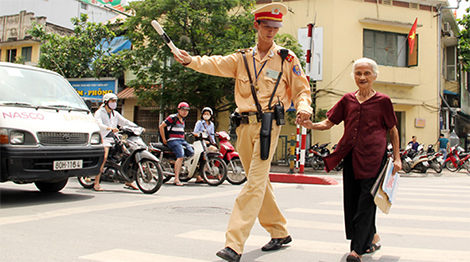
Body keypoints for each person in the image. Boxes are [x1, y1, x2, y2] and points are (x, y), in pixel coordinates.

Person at [173, 3, 313, 261]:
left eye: (276, 28)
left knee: (253, 184)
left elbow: (302, 90)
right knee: (259, 182)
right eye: (267, 27)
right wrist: (190, 60)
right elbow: (213, 64)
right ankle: (279, 232)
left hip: (270, 125)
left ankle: (234, 244)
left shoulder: (286, 58)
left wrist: (304, 108)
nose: (272, 32)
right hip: (244, 126)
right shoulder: (241, 58)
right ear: (256, 26)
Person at [299, 58, 402, 262]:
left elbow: (393, 130)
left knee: (366, 201)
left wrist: (397, 158)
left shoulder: (383, 101)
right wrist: (310, 125)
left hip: (374, 158)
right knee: (353, 202)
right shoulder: (347, 100)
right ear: (354, 76)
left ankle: (357, 250)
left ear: (374, 76)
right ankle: (372, 237)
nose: (362, 77)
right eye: (358, 73)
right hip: (351, 157)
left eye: (366, 73)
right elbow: (329, 122)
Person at [94, 93, 140, 191]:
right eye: (112, 101)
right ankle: (96, 182)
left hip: (114, 138)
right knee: (104, 156)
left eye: (115, 101)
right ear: (106, 102)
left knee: (128, 154)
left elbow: (125, 122)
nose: (114, 103)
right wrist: (109, 128)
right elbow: (98, 124)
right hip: (104, 138)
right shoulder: (99, 113)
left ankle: (128, 180)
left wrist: (137, 127)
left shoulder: (115, 114)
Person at [159, 102, 195, 186]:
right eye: (183, 110)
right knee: (181, 156)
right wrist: (164, 139)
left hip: (182, 140)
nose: (185, 112)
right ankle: (176, 179)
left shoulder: (183, 120)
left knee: (191, 152)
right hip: (173, 140)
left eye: (186, 110)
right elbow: (161, 126)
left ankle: (177, 166)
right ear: (178, 110)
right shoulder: (172, 117)